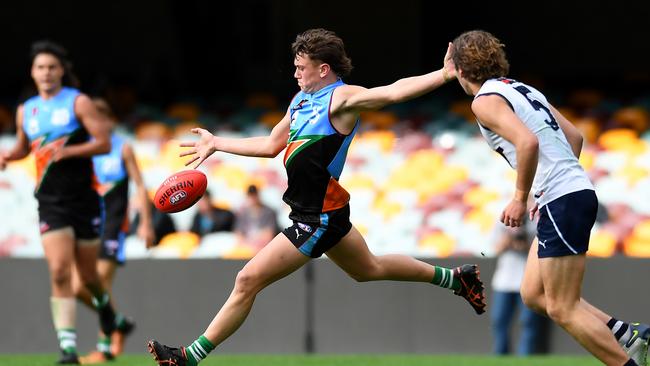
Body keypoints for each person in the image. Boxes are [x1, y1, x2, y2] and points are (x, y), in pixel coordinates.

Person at [147, 28, 486, 366]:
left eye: (301, 66)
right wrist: (217, 143)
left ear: (323, 69)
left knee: (247, 279)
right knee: (370, 268)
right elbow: (269, 145)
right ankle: (457, 279)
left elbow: (393, 93)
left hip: (318, 217)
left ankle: (189, 357)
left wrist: (444, 74)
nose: (294, 73)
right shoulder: (299, 102)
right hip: (318, 212)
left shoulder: (342, 99)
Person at [449, 30, 649, 365]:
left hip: (561, 198)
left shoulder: (483, 100)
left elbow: (527, 143)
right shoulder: (520, 88)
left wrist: (521, 197)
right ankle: (628, 335)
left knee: (562, 307)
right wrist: (554, 183)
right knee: (533, 294)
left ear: (459, 69)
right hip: (571, 193)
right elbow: (575, 135)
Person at [0, 41, 117, 364]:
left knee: (89, 276)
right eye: (41, 67)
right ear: (32, 73)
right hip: (50, 199)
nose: (47, 73)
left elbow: (104, 143)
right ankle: (68, 348)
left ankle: (106, 310)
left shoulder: (78, 103)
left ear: (62, 70)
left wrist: (70, 151)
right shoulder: (27, 110)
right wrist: (10, 155)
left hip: (84, 199)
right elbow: (26, 147)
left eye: (52, 67)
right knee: (59, 270)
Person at [72, 98, 155, 363]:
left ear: (109, 121)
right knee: (78, 287)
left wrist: (145, 222)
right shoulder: (86, 150)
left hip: (113, 226)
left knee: (100, 285)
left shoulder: (123, 148)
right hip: (88, 225)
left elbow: (141, 186)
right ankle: (119, 322)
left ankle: (106, 347)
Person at [490, 218, 547, 355]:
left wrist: (526, 243)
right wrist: (510, 236)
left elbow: (541, 251)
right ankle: (500, 355)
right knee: (499, 321)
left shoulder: (535, 225)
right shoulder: (501, 224)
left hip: (527, 280)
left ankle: (525, 357)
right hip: (504, 282)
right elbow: (495, 250)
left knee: (528, 322)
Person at [232, 184, 278, 251]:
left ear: (258, 195)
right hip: (247, 247)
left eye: (254, 195)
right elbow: (238, 234)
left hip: (263, 247)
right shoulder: (243, 213)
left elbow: (269, 234)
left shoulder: (269, 212)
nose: (253, 198)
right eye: (250, 195)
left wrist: (254, 240)